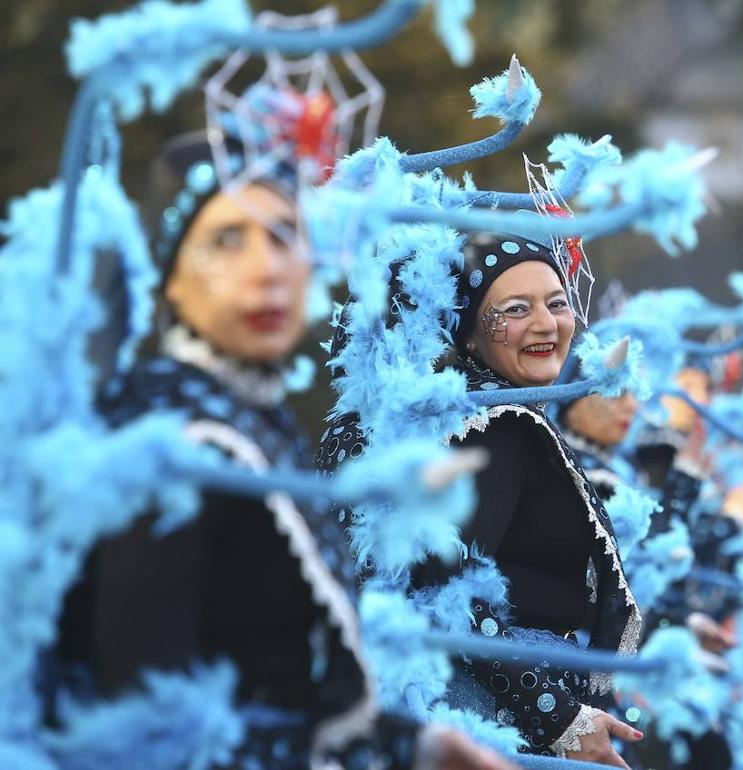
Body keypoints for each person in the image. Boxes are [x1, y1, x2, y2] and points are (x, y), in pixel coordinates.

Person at [55, 133, 508, 770]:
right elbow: (144, 729)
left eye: (284, 235)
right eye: (227, 239)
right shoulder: (169, 439)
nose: (267, 269)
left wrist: (416, 746)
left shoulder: (250, 415)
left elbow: (275, 679)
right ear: (171, 278)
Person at [319, 235, 645, 767]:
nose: (546, 324)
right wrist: (557, 715)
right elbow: (444, 594)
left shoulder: (486, 419)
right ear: (469, 335)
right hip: (494, 719)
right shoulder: (496, 427)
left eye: (556, 303)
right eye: (516, 309)